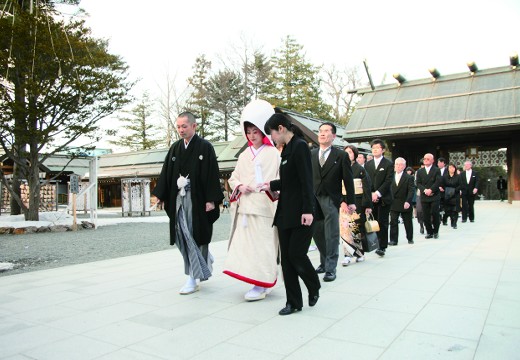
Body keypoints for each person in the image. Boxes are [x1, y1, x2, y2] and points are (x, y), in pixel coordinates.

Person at [153, 112, 224, 295]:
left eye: (184, 126)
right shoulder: (175, 148)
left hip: (198, 199)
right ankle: (203, 257)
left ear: (194, 126)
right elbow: (166, 172)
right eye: (178, 127)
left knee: (195, 233)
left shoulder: (205, 147)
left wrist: (211, 199)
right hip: (178, 198)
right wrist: (160, 195)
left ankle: (192, 277)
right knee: (181, 233)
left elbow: (211, 174)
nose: (181, 130)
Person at [262, 113, 321, 316]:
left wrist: (308, 210)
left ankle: (314, 285)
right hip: (286, 211)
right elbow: (289, 181)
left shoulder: (300, 146)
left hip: (301, 211)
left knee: (296, 254)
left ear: (280, 128)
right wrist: (269, 185)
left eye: (271, 133)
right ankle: (293, 302)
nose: (272, 138)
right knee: (286, 260)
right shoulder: (286, 150)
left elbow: (306, 180)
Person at [223, 100, 280, 301]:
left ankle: (263, 282)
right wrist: (239, 186)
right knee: (248, 247)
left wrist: (269, 187)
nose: (252, 135)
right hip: (246, 206)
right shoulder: (244, 155)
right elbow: (234, 177)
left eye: (255, 131)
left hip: (264, 206)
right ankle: (256, 281)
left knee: (264, 246)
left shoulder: (274, 153)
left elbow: (279, 178)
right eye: (248, 132)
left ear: (262, 131)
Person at [311, 122, 356, 282]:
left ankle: (331, 268)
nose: (322, 134)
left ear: (334, 136)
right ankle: (323, 262)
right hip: (313, 198)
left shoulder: (341, 155)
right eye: (320, 131)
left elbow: (348, 179)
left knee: (331, 233)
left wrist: (350, 201)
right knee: (316, 231)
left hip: (331, 198)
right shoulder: (312, 153)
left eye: (326, 131)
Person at [341, 145, 372, 266]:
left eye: (350, 152)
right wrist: (341, 201)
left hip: (358, 201)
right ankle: (347, 255)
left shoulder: (360, 169)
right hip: (343, 202)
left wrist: (367, 205)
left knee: (356, 228)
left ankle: (359, 253)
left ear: (355, 154)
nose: (348, 154)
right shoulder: (340, 167)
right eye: (346, 152)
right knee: (345, 229)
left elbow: (367, 187)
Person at [365, 139, 393, 257]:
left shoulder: (388, 164)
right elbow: (366, 180)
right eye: (373, 148)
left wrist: (378, 193)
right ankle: (374, 243)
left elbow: (388, 181)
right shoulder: (368, 164)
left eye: (377, 147)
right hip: (371, 198)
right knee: (373, 222)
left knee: (382, 222)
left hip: (384, 198)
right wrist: (371, 193)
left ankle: (382, 246)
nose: (375, 149)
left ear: (383, 150)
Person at [415, 153, 442, 239]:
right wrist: (425, 190)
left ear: (433, 160)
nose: (426, 160)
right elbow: (418, 183)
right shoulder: (420, 171)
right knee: (425, 215)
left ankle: (436, 231)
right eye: (425, 158)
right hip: (424, 195)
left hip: (434, 194)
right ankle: (429, 232)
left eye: (428, 159)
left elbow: (438, 181)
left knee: (435, 213)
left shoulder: (437, 170)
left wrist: (431, 190)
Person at [389, 158, 415, 245]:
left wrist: (408, 201)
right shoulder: (390, 176)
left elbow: (411, 190)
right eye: (396, 164)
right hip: (393, 202)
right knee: (393, 222)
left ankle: (410, 238)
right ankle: (393, 240)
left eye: (400, 164)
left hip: (404, 202)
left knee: (407, 222)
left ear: (404, 166)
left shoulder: (409, 177)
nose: (398, 166)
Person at [442, 163, 462, 229]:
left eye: (453, 167)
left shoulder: (458, 176)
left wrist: (454, 190)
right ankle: (449, 220)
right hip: (447, 195)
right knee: (448, 210)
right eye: (450, 167)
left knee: (455, 210)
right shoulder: (444, 177)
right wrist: (447, 190)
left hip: (455, 194)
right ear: (448, 169)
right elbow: (442, 185)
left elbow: (461, 185)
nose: (452, 169)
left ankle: (454, 223)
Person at [437, 157, 448, 225]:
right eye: (438, 163)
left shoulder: (447, 170)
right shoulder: (436, 170)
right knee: (439, 205)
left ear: (443, 163)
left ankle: (445, 219)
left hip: (446, 190)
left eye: (440, 163)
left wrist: (443, 187)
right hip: (438, 191)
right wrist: (438, 187)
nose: (438, 164)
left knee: (445, 205)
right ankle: (439, 218)